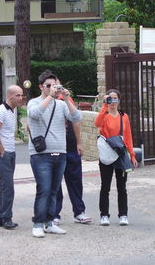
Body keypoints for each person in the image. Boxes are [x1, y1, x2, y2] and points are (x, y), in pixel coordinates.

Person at [27, 70, 82, 238]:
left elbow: (76, 117)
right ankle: (38, 223)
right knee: (43, 189)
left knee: (54, 190)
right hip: (41, 155)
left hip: (61, 153)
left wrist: (66, 98)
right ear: (41, 87)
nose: (52, 88)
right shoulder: (33, 102)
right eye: (48, 86)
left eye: (54, 85)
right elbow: (34, 115)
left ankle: (50, 223)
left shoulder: (61, 104)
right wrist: (50, 96)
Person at [94, 89, 138, 226]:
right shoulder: (104, 115)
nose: (112, 102)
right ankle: (104, 215)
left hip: (120, 153)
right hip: (107, 154)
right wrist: (103, 106)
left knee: (122, 187)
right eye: (110, 99)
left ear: (119, 100)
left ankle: (123, 214)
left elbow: (128, 136)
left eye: (115, 99)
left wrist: (132, 154)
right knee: (105, 186)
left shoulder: (124, 116)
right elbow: (97, 124)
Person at [53, 79, 91, 225]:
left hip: (70, 147)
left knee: (75, 180)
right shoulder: (46, 103)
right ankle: (54, 214)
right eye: (53, 86)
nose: (57, 88)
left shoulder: (66, 101)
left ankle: (79, 212)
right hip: (55, 148)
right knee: (55, 183)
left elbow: (75, 121)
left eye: (58, 85)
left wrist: (79, 142)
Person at [0, 85, 24, 230]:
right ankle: (7, 218)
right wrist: (2, 151)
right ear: (9, 96)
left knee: (4, 186)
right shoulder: (0, 111)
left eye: (21, 95)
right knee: (8, 187)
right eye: (17, 95)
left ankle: (0, 218)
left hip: (10, 152)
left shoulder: (12, 110)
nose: (20, 98)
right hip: (2, 153)